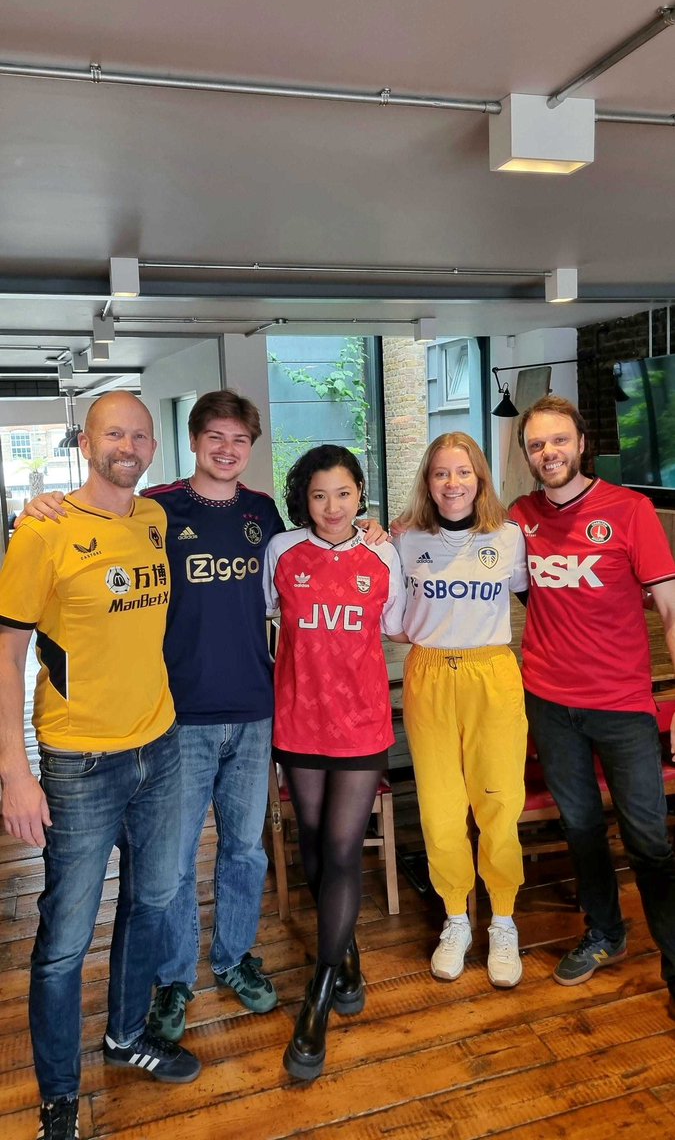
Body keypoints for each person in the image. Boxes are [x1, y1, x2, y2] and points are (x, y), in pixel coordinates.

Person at [24, 389, 387, 1045]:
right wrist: (43, 505)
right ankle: (173, 982)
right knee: (175, 866)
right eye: (214, 437)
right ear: (192, 441)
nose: (226, 450)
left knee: (245, 852)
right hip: (177, 718)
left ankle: (234, 957)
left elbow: (318, 553)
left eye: (239, 440)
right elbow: (96, 515)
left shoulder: (263, 513)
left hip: (256, 709)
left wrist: (369, 531)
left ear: (250, 448)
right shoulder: (155, 508)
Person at [0, 392, 200, 1140]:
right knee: (63, 938)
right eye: (114, 432)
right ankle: (58, 1092)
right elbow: (9, 653)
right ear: (86, 442)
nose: (128, 444)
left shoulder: (152, 519)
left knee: (152, 902)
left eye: (140, 434)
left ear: (152, 447)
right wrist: (13, 773)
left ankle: (125, 1036)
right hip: (79, 760)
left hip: (162, 745)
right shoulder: (41, 529)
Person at [510, 394, 675, 1014]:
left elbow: (669, 608)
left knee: (648, 838)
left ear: (581, 444)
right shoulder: (520, 516)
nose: (547, 453)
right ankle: (604, 930)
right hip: (550, 703)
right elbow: (482, 560)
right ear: (527, 455)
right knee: (579, 828)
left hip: (623, 705)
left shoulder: (630, 511)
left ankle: (673, 955)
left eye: (558, 441)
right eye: (535, 445)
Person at [263, 444, 406, 1081]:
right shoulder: (282, 553)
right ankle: (344, 954)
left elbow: (397, 624)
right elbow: (272, 620)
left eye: (343, 493)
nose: (331, 507)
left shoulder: (381, 554)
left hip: (362, 723)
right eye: (319, 495)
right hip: (298, 716)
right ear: (304, 499)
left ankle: (318, 995)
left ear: (359, 494)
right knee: (314, 844)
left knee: (345, 849)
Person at [393, 433, 528, 989]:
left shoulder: (510, 536)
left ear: (480, 479)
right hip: (428, 673)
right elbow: (392, 614)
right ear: (428, 481)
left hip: (491, 673)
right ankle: (455, 917)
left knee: (499, 801)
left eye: (463, 472)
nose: (453, 484)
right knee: (440, 807)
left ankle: (502, 919)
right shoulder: (404, 540)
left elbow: (536, 598)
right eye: (442, 473)